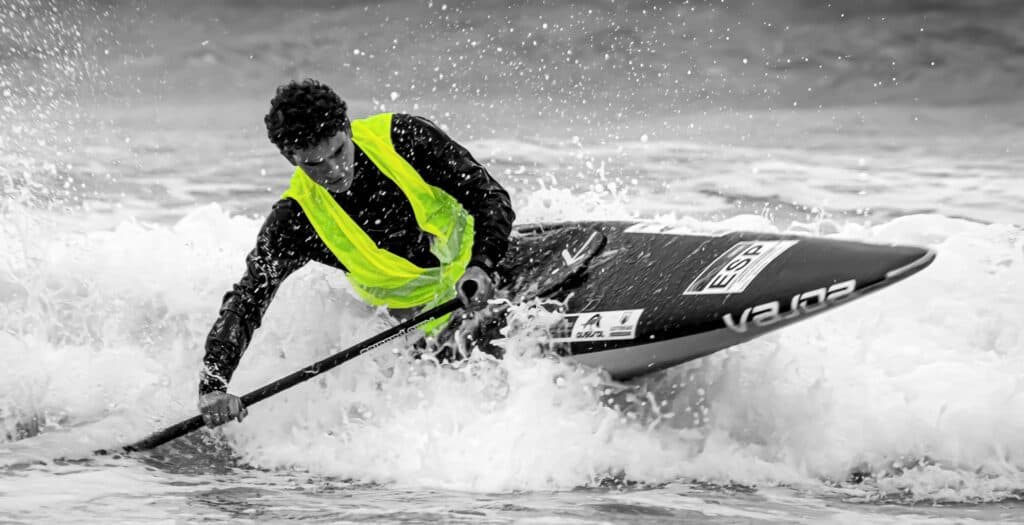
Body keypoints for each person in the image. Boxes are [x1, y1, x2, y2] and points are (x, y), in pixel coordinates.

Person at [197, 79, 515, 428]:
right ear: (291, 159)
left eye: (338, 152)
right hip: (426, 324)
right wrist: (213, 386)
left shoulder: (404, 138)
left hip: (491, 270)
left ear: (347, 128)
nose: (335, 171)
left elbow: (489, 196)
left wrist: (482, 264)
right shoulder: (296, 220)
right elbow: (247, 299)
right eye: (315, 164)